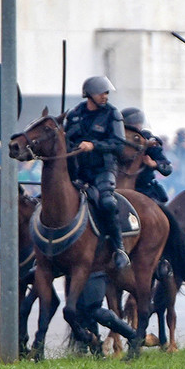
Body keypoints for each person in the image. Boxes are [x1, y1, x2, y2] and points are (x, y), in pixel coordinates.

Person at [64, 75, 130, 269]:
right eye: (102, 93)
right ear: (89, 95)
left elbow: (119, 145)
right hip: (79, 170)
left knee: (107, 202)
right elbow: (67, 140)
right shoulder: (75, 114)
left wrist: (94, 145)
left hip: (103, 169)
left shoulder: (112, 114)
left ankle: (119, 249)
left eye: (106, 93)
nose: (105, 96)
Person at [120, 107, 172, 203]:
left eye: (138, 124)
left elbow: (167, 168)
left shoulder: (151, 141)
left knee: (166, 215)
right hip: (118, 188)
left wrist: (154, 164)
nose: (137, 126)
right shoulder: (117, 141)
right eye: (134, 124)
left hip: (145, 189)